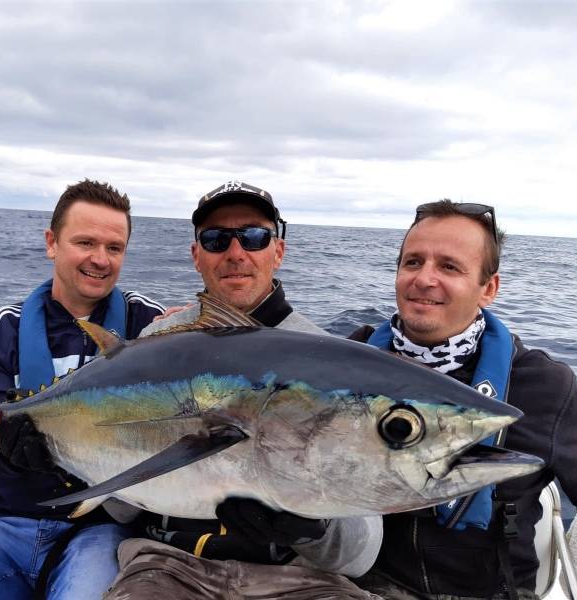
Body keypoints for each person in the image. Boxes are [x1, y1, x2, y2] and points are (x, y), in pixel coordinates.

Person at [104, 180, 383, 600]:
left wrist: (317, 528)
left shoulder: (327, 361)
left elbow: (362, 554)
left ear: (279, 250)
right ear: (196, 256)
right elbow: (121, 506)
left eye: (254, 236)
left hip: (299, 580)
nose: (236, 253)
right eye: (216, 239)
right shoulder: (152, 344)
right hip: (166, 568)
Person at [0, 180, 164, 600]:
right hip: (4, 521)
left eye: (115, 248)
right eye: (85, 242)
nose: (100, 259)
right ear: (51, 243)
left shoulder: (149, 324)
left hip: (104, 527)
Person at [350, 200, 577, 600]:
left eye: (449, 267)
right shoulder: (349, 362)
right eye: (412, 262)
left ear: (488, 288)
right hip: (354, 587)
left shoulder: (544, 386)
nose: (424, 278)